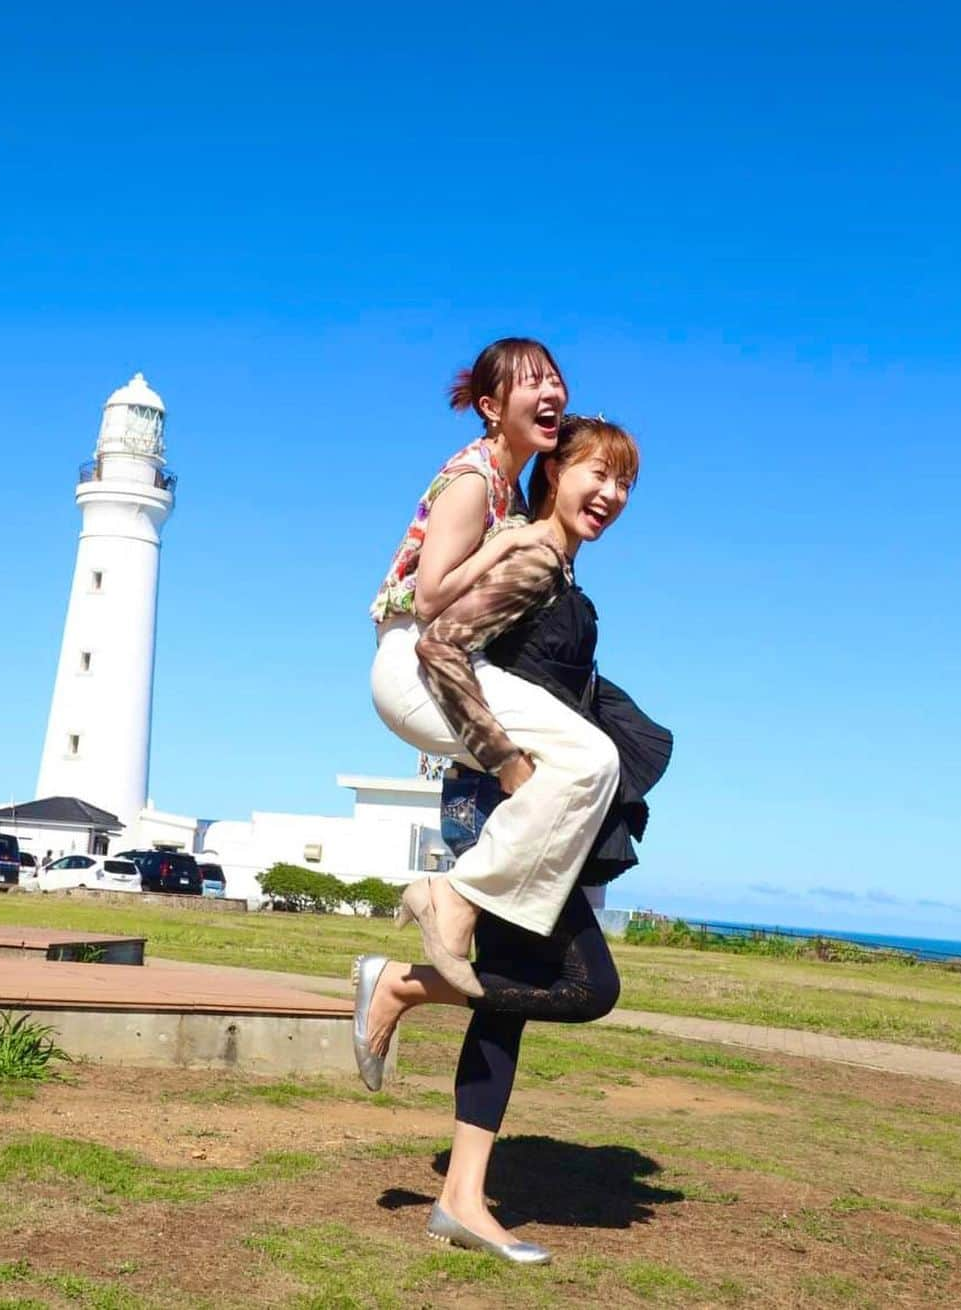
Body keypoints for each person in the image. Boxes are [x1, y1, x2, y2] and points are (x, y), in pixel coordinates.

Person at [355, 416, 672, 1261]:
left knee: (514, 998)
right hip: (504, 808)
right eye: (596, 473)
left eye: (626, 484)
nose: (610, 495)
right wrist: (504, 771)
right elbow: (445, 649)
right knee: (582, 985)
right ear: (555, 471)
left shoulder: (562, 578)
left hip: (534, 816)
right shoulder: (529, 558)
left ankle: (461, 1195)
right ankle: (403, 987)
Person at [371, 344, 622, 994]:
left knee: (580, 766)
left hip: (441, 661)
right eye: (533, 385)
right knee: (587, 763)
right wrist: (511, 541)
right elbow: (430, 604)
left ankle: (456, 909)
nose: (553, 396)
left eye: (557, 384)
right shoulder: (476, 478)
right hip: (413, 662)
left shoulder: (505, 484)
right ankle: (452, 899)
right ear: (490, 407)